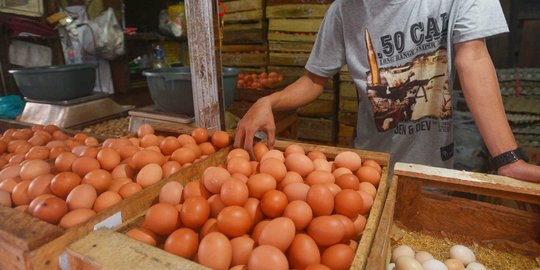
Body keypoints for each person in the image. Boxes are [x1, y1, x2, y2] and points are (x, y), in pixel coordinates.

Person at [234, 0, 540, 183]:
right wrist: (269, 100)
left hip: (434, 167)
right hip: (373, 166)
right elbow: (314, 80)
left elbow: (471, 57)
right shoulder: (345, 10)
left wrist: (507, 158)